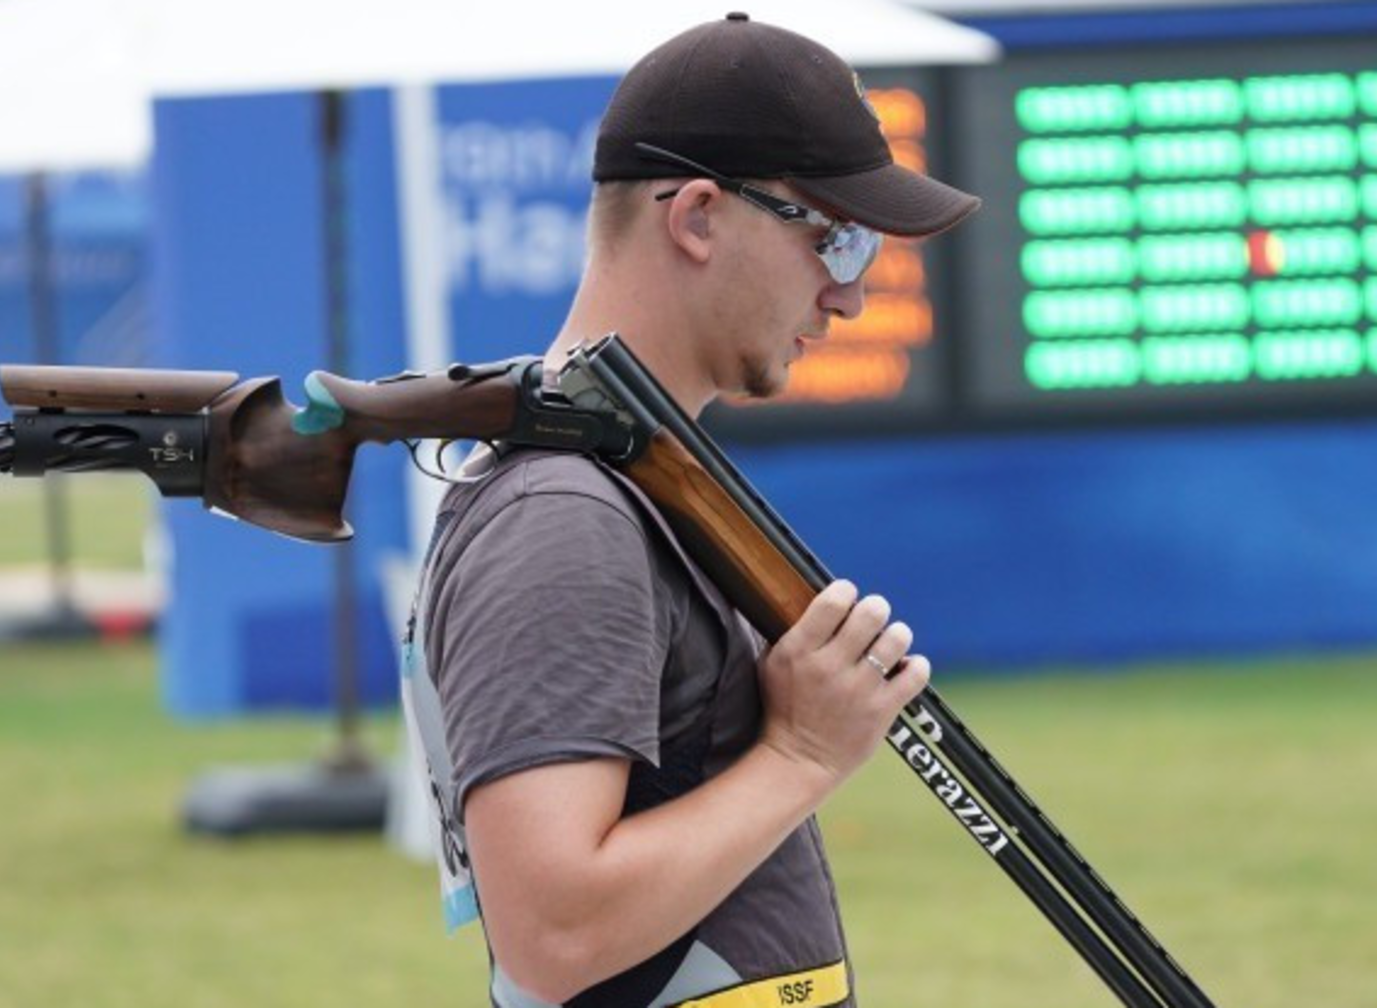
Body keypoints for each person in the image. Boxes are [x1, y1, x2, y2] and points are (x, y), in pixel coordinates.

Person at [400, 13, 981, 1007]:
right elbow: (552, 929)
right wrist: (801, 751)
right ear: (699, 216)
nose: (849, 298)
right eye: (836, 241)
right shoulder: (565, 518)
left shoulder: (617, 481)